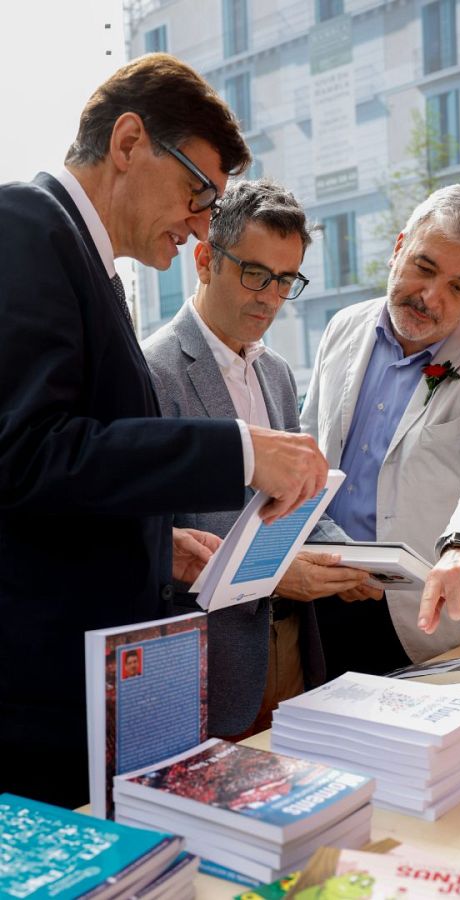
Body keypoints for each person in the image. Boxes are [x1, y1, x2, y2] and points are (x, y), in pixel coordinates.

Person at [0, 53, 328, 807]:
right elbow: (27, 454)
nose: (202, 223)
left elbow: (75, 468)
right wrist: (243, 452)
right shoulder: (25, 227)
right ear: (127, 144)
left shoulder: (85, 260)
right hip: (40, 699)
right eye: (197, 192)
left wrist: (157, 540)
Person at [143, 180, 368, 739]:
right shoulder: (152, 373)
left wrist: (360, 562)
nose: (271, 296)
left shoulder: (276, 373)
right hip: (204, 665)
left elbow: (297, 502)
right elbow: (149, 546)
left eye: (287, 279)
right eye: (256, 273)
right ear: (203, 260)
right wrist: (271, 577)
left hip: (291, 648)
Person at [300, 183, 460, 675]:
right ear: (399, 246)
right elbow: (311, 451)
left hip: (431, 619)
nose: (430, 297)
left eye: (458, 287)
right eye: (424, 268)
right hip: (326, 595)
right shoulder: (342, 327)